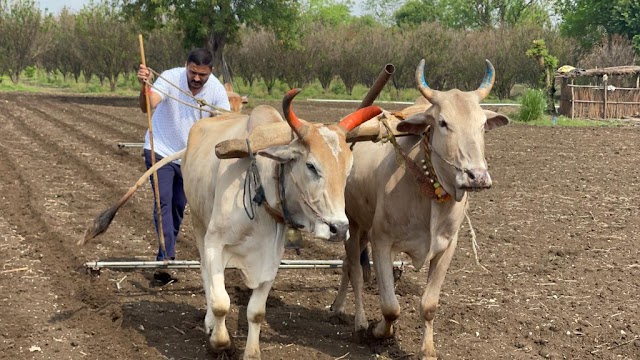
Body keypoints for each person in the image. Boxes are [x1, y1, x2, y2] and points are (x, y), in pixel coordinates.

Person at [136, 48, 231, 266]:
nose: (196, 78)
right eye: (193, 73)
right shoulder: (171, 77)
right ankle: (166, 257)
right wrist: (145, 86)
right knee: (164, 202)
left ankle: (166, 251)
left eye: (202, 75)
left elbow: (225, 120)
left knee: (179, 205)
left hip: (190, 158)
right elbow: (148, 106)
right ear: (186, 66)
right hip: (160, 150)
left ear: (211, 72)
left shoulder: (215, 89)